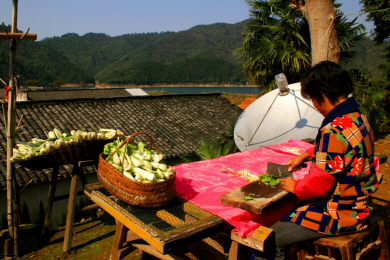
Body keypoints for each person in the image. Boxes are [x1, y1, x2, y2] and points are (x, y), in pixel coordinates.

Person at [256, 61, 379, 260]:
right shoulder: (357, 118)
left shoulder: (333, 129)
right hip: (362, 205)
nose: (314, 105)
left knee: (269, 238)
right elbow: (345, 149)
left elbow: (318, 187)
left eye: (313, 98)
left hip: (341, 214)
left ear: (322, 95)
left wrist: (295, 187)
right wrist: (307, 154)